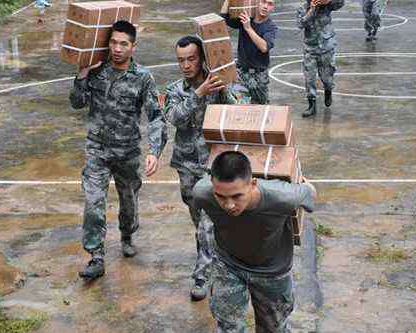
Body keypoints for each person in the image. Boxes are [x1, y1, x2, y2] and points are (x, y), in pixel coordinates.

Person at [69, 20, 167, 280]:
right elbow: (77, 103)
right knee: (93, 202)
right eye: (113, 42)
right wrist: (81, 75)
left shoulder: (143, 78)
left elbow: (156, 116)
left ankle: (127, 234)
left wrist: (153, 151)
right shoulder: (96, 71)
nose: (117, 48)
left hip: (127, 152)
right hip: (97, 149)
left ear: (133, 47)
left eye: (123, 43)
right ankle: (96, 256)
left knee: (129, 200)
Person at [193, 151, 317, 332]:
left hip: (272, 271)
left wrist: (305, 184)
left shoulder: (282, 197)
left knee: (273, 328)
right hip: (229, 265)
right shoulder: (202, 193)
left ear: (252, 184)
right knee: (228, 327)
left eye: (237, 196)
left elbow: (310, 193)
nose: (229, 205)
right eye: (221, 196)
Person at [164, 36, 238, 301]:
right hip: (186, 166)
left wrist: (224, 89)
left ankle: (202, 275)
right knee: (200, 224)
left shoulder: (217, 85)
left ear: (202, 58)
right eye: (181, 60)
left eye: (191, 59)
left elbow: (237, 112)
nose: (185, 65)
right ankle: (210, 259)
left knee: (208, 225)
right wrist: (198, 94)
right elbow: (174, 119)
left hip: (213, 166)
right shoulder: (175, 89)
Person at [220, 0, 278, 105]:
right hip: (241, 74)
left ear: (273, 8)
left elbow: (264, 47)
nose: (265, 6)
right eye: (263, 2)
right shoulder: (246, 19)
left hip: (259, 76)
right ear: (257, 2)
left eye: (270, 4)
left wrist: (248, 28)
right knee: (240, 106)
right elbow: (223, 18)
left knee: (261, 108)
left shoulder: (270, 27)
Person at [297, 0, 345, 118]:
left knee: (327, 78)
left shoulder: (328, 6)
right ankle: (311, 104)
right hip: (310, 48)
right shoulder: (303, 8)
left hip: (326, 47)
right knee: (310, 78)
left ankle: (328, 90)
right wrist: (311, 10)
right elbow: (300, 24)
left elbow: (341, 3)